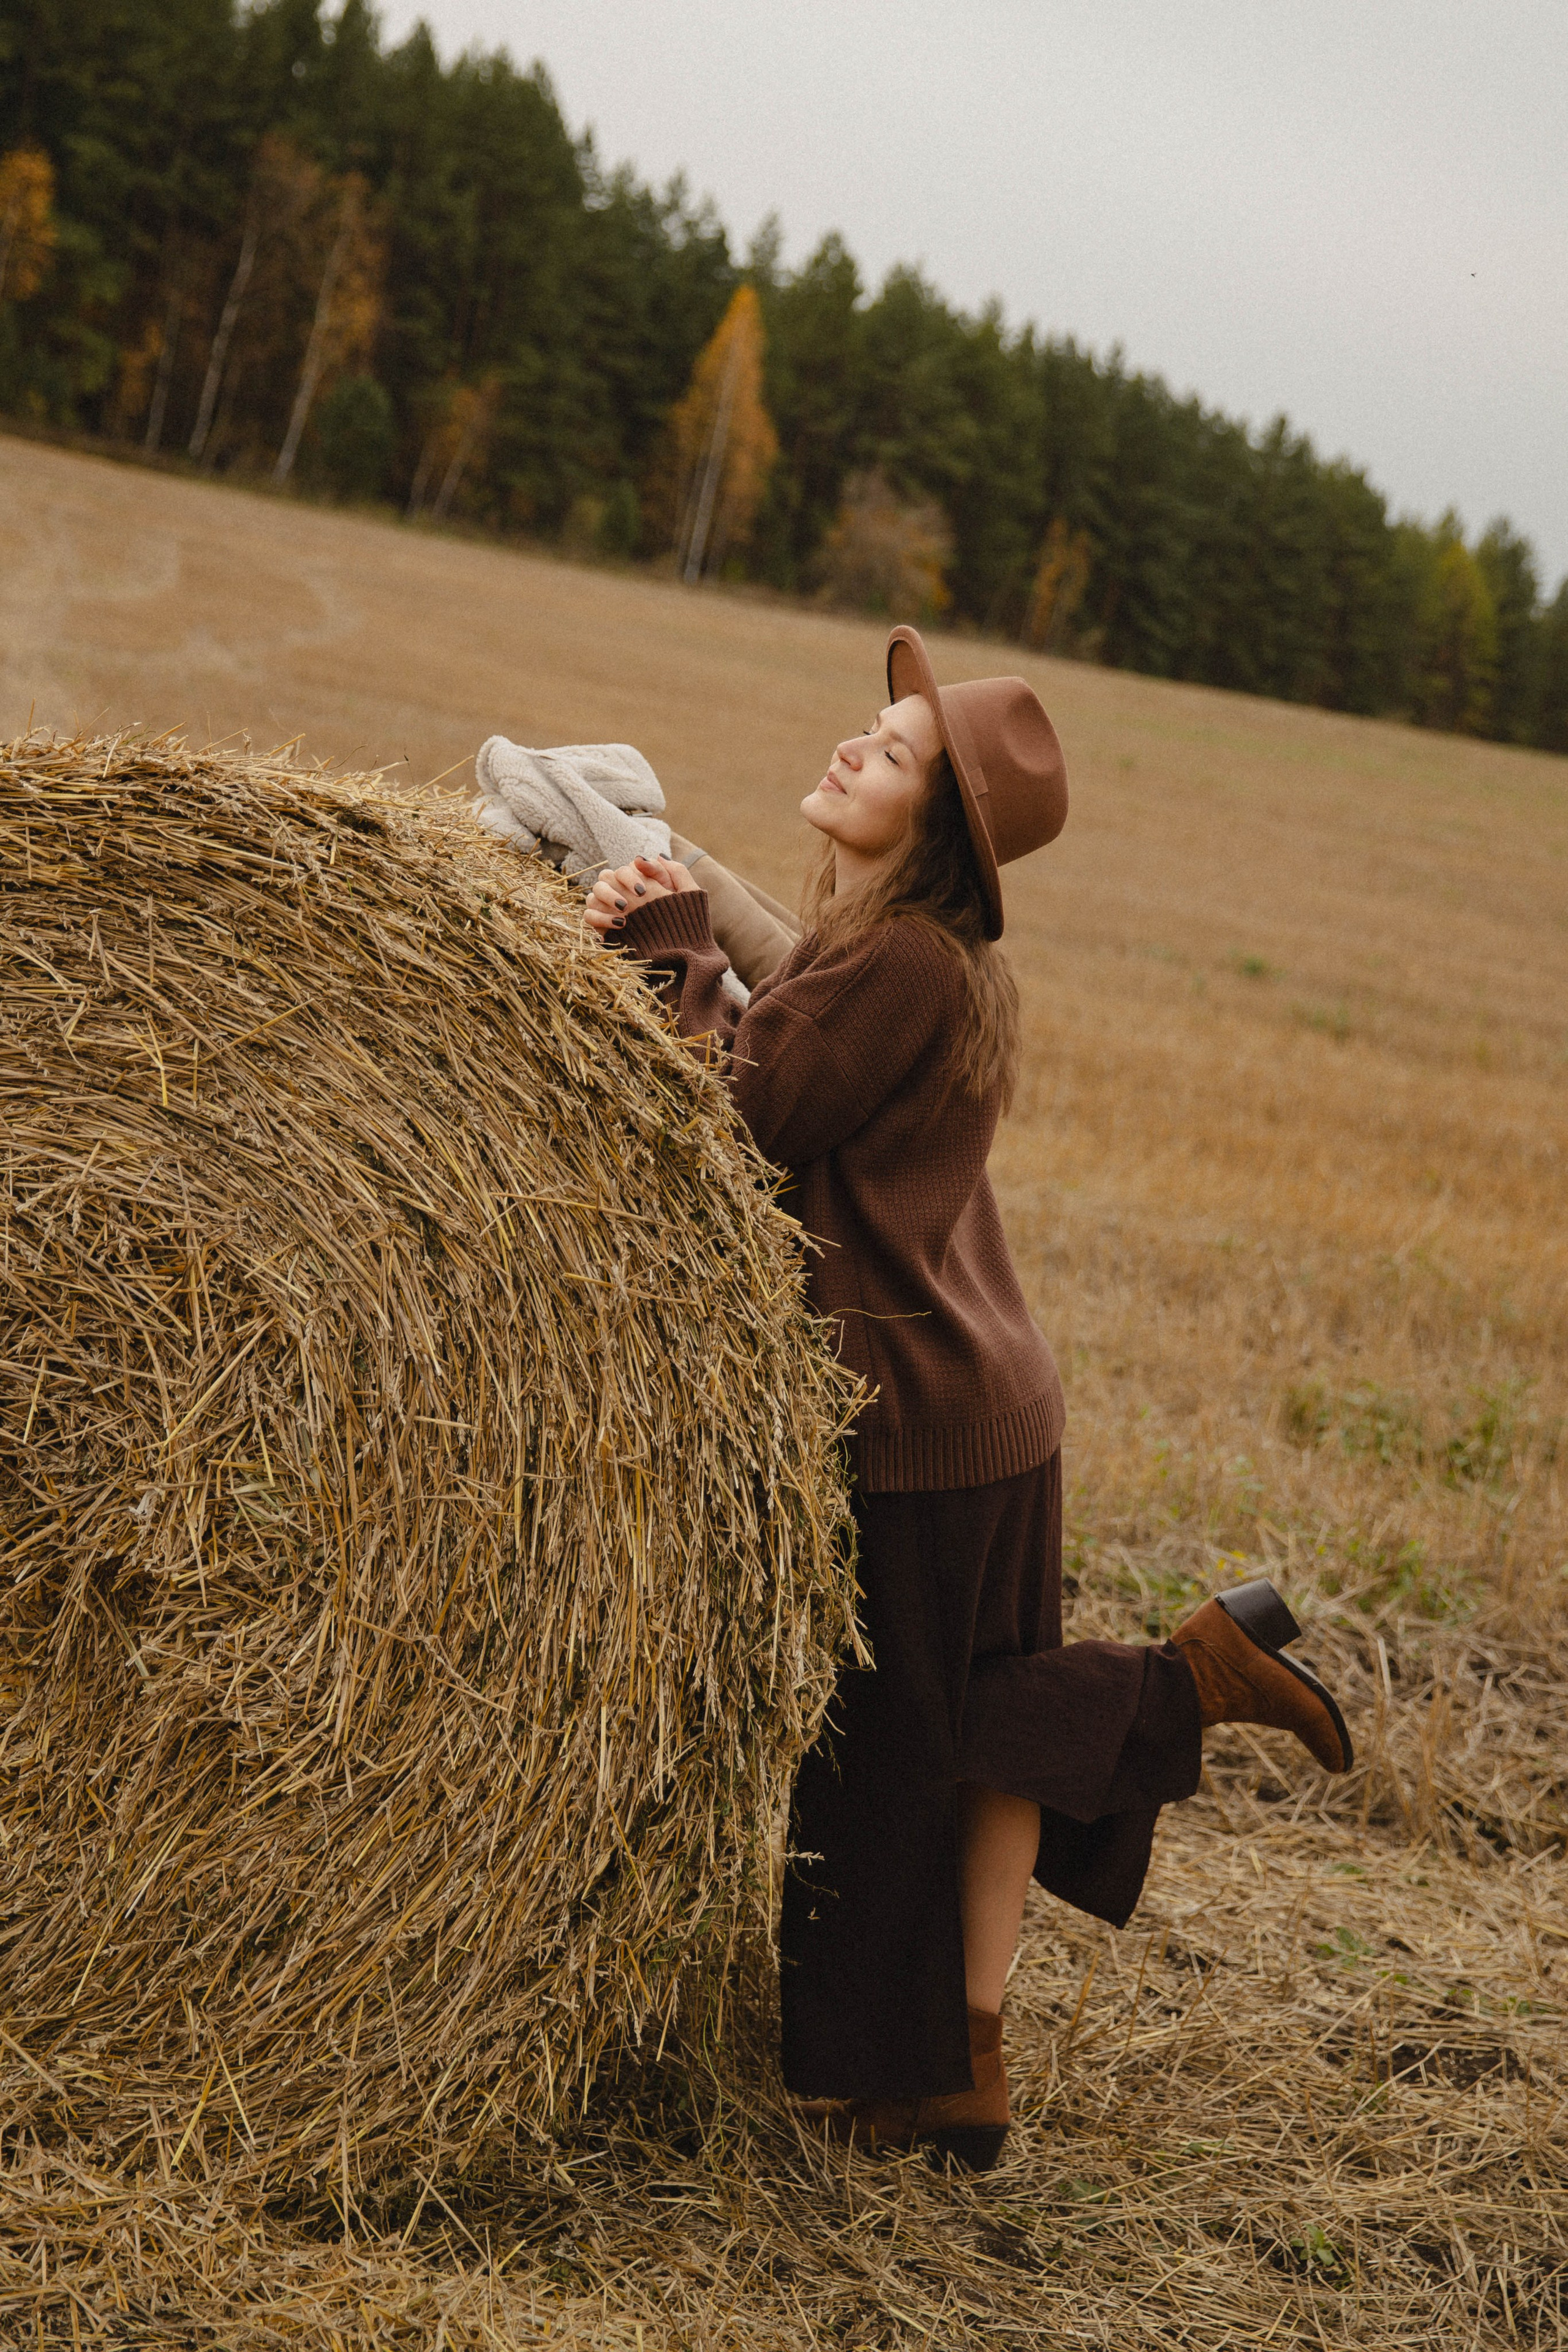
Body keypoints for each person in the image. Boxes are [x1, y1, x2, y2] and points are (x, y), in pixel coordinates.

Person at [584, 625, 1352, 2172]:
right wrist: (681, 889)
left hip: (921, 1430)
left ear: (934, 826)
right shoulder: (922, 961)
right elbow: (791, 1005)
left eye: (890, 752)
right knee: (965, 1728)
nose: (851, 749)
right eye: (866, 728)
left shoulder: (905, 966)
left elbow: (739, 1125)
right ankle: (967, 2068)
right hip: (982, 1413)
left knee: (891, 1759)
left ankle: (1173, 1692)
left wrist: (663, 944)